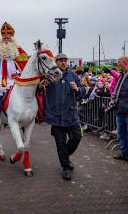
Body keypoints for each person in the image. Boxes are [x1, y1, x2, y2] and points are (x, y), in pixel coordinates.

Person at [39, 53, 87, 181]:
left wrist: (78, 89)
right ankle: (65, 167)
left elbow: (83, 91)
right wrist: (43, 85)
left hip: (71, 115)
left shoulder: (73, 76)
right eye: (61, 61)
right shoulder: (50, 76)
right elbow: (38, 90)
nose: (63, 63)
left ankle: (65, 156)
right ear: (56, 62)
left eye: (65, 60)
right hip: (57, 117)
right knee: (60, 144)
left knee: (77, 137)